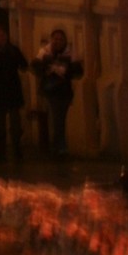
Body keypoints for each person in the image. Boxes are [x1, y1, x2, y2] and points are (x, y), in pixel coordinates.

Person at [0, 18, 29, 168]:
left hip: (12, 91)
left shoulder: (13, 50)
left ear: (6, 36)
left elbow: (24, 65)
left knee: (15, 124)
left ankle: (16, 148)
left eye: (2, 35)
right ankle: (1, 151)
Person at [37, 26, 84, 158]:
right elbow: (36, 66)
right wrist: (48, 68)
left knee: (60, 119)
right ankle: (59, 147)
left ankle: (59, 146)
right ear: (52, 40)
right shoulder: (45, 52)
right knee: (57, 119)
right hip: (51, 91)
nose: (58, 41)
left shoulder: (69, 53)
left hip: (64, 91)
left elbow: (77, 70)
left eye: (61, 39)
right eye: (56, 39)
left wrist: (65, 70)